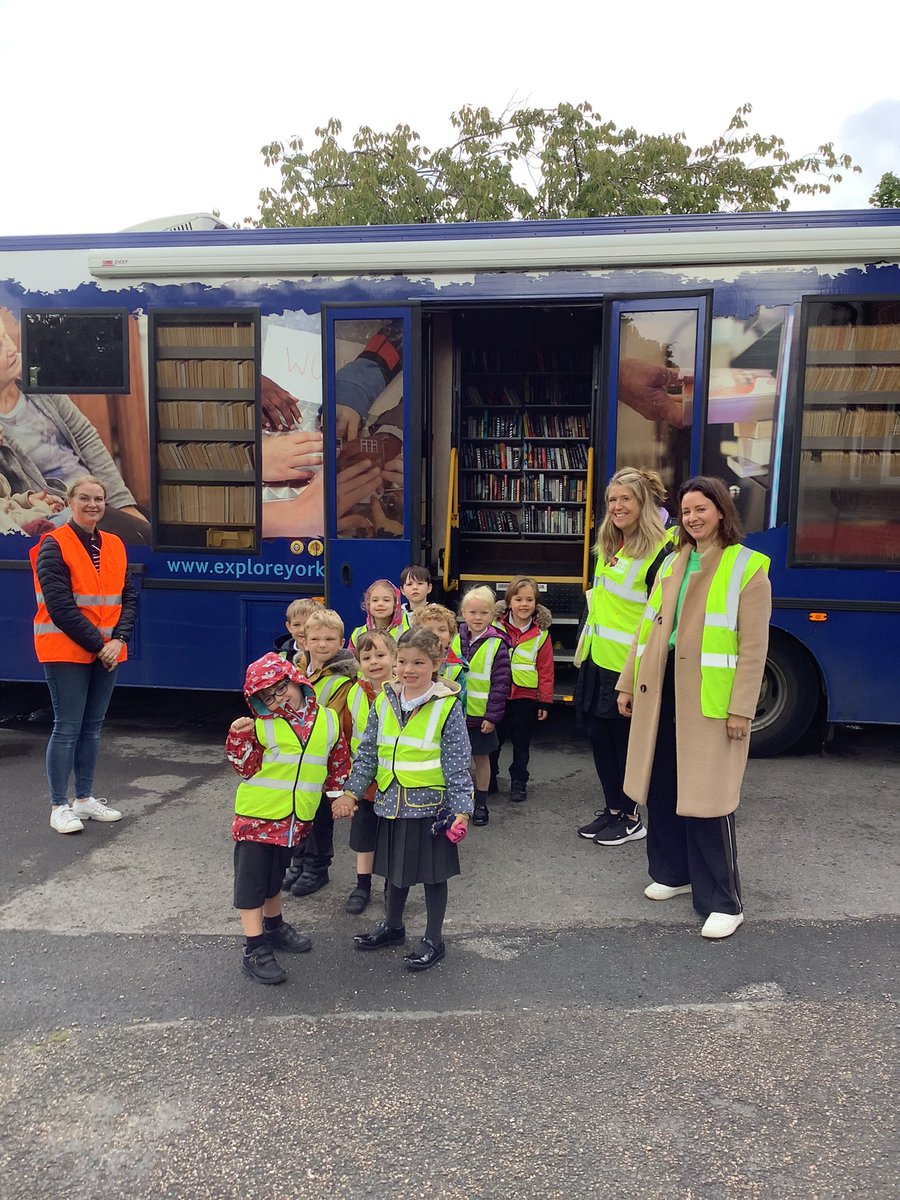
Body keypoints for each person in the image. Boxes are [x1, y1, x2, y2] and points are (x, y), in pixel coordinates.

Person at [616, 476, 771, 939]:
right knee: (662, 786)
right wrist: (627, 682)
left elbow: (754, 647)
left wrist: (742, 707)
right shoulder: (671, 563)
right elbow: (647, 630)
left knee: (708, 801)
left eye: (701, 508)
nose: (692, 518)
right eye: (686, 511)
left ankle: (724, 901)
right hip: (660, 694)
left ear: (722, 511)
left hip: (710, 702)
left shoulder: (748, 567)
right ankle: (673, 873)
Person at [334, 626, 473, 971]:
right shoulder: (384, 699)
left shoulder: (446, 706)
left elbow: (457, 762)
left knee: (432, 875)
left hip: (430, 808)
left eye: (419, 663)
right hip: (390, 804)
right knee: (394, 872)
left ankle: (433, 940)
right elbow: (367, 751)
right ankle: (393, 927)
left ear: (436, 664)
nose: (409, 670)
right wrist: (352, 791)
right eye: (403, 662)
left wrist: (462, 810)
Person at [226, 653, 349, 984]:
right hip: (257, 818)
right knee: (252, 883)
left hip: (296, 820)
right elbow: (244, 767)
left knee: (275, 876)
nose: (278, 699)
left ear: (295, 680)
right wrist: (239, 737)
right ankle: (254, 948)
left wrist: (338, 795)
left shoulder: (327, 719)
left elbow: (337, 758)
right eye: (267, 697)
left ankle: (274, 925)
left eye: (280, 689)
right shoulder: (261, 726)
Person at [30, 475, 137, 833]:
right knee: (67, 728)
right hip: (66, 650)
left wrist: (119, 639)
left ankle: (85, 799)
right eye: (85, 498)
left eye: (99, 499)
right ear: (71, 502)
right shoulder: (53, 545)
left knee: (91, 729)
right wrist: (101, 644)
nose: (93, 505)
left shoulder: (115, 545)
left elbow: (129, 597)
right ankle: (59, 805)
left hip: (107, 650)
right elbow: (60, 606)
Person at [574, 468, 671, 847]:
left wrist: (636, 674)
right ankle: (613, 809)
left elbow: (655, 618)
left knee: (625, 743)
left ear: (642, 504)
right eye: (612, 500)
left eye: (624, 499)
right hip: (599, 659)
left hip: (628, 668)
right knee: (600, 737)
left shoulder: (659, 554)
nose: (616, 507)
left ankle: (632, 817)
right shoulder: (610, 546)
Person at [0, 317, 150, 543]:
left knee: (163, 532)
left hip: (99, 498)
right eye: (0, 345)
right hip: (64, 515)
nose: (12, 348)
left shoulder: (36, 377)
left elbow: (87, 439)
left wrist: (123, 503)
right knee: (152, 544)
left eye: (6, 336)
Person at [282, 608, 358, 897]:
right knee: (299, 810)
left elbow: (336, 720)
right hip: (297, 754)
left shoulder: (343, 679)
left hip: (325, 756)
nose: (322, 644)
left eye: (329, 639)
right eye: (315, 638)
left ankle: (317, 867)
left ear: (340, 642)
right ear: (304, 640)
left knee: (320, 814)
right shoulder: (296, 670)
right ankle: (298, 861)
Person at [342, 631, 398, 915]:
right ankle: (362, 885)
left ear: (394, 657)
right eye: (367, 657)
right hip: (364, 777)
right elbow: (349, 732)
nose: (374, 662)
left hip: (395, 779)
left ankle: (391, 885)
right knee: (364, 834)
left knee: (391, 835)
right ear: (358, 662)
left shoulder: (403, 691)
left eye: (380, 655)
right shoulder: (354, 693)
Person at [489, 576, 553, 802]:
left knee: (521, 743)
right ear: (509, 602)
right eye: (518, 599)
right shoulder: (494, 627)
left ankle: (519, 781)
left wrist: (544, 700)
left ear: (536, 603)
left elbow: (545, 669)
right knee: (493, 741)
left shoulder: (541, 634)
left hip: (525, 697)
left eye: (529, 599)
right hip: (497, 693)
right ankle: (489, 779)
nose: (524, 604)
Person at [451, 585, 511, 828]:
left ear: (492, 615)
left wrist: (492, 716)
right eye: (473, 612)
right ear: (463, 613)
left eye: (484, 613)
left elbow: (501, 683)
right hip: (454, 714)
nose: (478, 618)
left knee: (481, 759)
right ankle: (458, 803)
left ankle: (481, 803)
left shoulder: (498, 644)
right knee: (455, 761)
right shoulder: (454, 638)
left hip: (481, 715)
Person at [413, 602, 468, 708]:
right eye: (429, 630)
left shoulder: (456, 668)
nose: (436, 634)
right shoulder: (409, 662)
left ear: (451, 636)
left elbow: (462, 705)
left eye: (442, 630)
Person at [348, 579, 410, 649]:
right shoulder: (357, 634)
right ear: (368, 604)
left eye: (386, 600)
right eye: (375, 600)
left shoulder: (407, 631)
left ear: (395, 604)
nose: (380, 604)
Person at [273, 596, 322, 671]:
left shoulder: (326, 653)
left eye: (308, 624)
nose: (302, 630)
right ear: (289, 627)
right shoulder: (280, 656)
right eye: (296, 625)